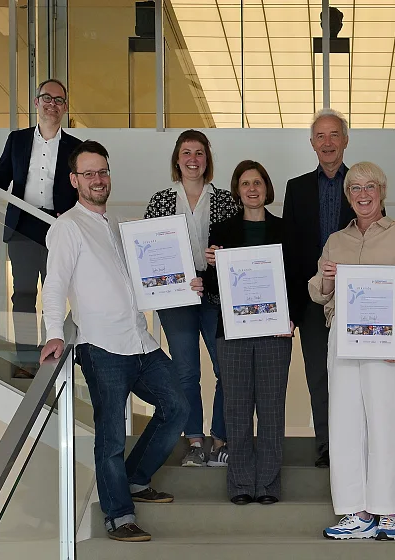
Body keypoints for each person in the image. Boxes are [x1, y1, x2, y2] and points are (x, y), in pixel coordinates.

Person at [40, 140, 195, 542]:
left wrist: (182, 284)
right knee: (109, 435)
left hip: (139, 341)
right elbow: (54, 284)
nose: (97, 179)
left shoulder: (117, 224)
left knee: (177, 406)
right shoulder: (66, 227)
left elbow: (142, 282)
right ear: (74, 180)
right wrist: (54, 334)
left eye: (103, 171)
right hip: (101, 346)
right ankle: (118, 516)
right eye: (89, 173)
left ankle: (137, 478)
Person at [310, 162, 395, 541]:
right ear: (348, 195)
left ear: (382, 191)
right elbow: (318, 291)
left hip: (388, 341)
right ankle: (355, 512)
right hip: (342, 340)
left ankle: (387, 511)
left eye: (370, 186)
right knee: (343, 425)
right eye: (355, 187)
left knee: (387, 421)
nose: (362, 194)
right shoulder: (335, 240)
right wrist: (326, 276)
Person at [0, 78, 81, 379]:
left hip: (58, 227)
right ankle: (26, 360)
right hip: (22, 227)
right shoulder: (17, 140)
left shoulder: (76, 148)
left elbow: (82, 191)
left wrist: (68, 215)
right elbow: (2, 179)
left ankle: (55, 353)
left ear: (65, 107)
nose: (52, 104)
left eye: (58, 100)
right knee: (24, 295)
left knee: (58, 292)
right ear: (36, 103)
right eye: (47, 98)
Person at [204, 160, 300, 506]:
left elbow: (300, 279)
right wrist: (211, 265)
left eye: (258, 182)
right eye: (245, 183)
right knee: (237, 410)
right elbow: (215, 287)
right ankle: (242, 484)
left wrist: (294, 320)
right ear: (237, 190)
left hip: (276, 333)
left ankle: (270, 485)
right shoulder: (222, 230)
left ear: (266, 188)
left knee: (272, 410)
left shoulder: (287, 229)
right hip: (232, 332)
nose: (252, 189)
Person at [144, 130, 240, 467]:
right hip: (176, 297)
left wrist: (222, 256)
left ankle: (221, 437)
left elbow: (238, 249)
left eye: (199, 153)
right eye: (186, 152)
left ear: (207, 159)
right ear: (177, 158)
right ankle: (194, 439)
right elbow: (150, 251)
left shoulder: (226, 200)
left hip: (217, 295)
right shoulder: (161, 200)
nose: (193, 159)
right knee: (185, 372)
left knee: (226, 368)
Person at [283, 108, 354, 468]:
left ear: (345, 140)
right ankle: (327, 446)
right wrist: (292, 312)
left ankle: (353, 445)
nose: (327, 142)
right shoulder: (296, 189)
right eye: (320, 136)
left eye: (334, 135)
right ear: (312, 143)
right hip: (312, 302)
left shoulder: (361, 186)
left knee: (352, 375)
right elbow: (291, 254)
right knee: (319, 376)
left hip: (354, 302)